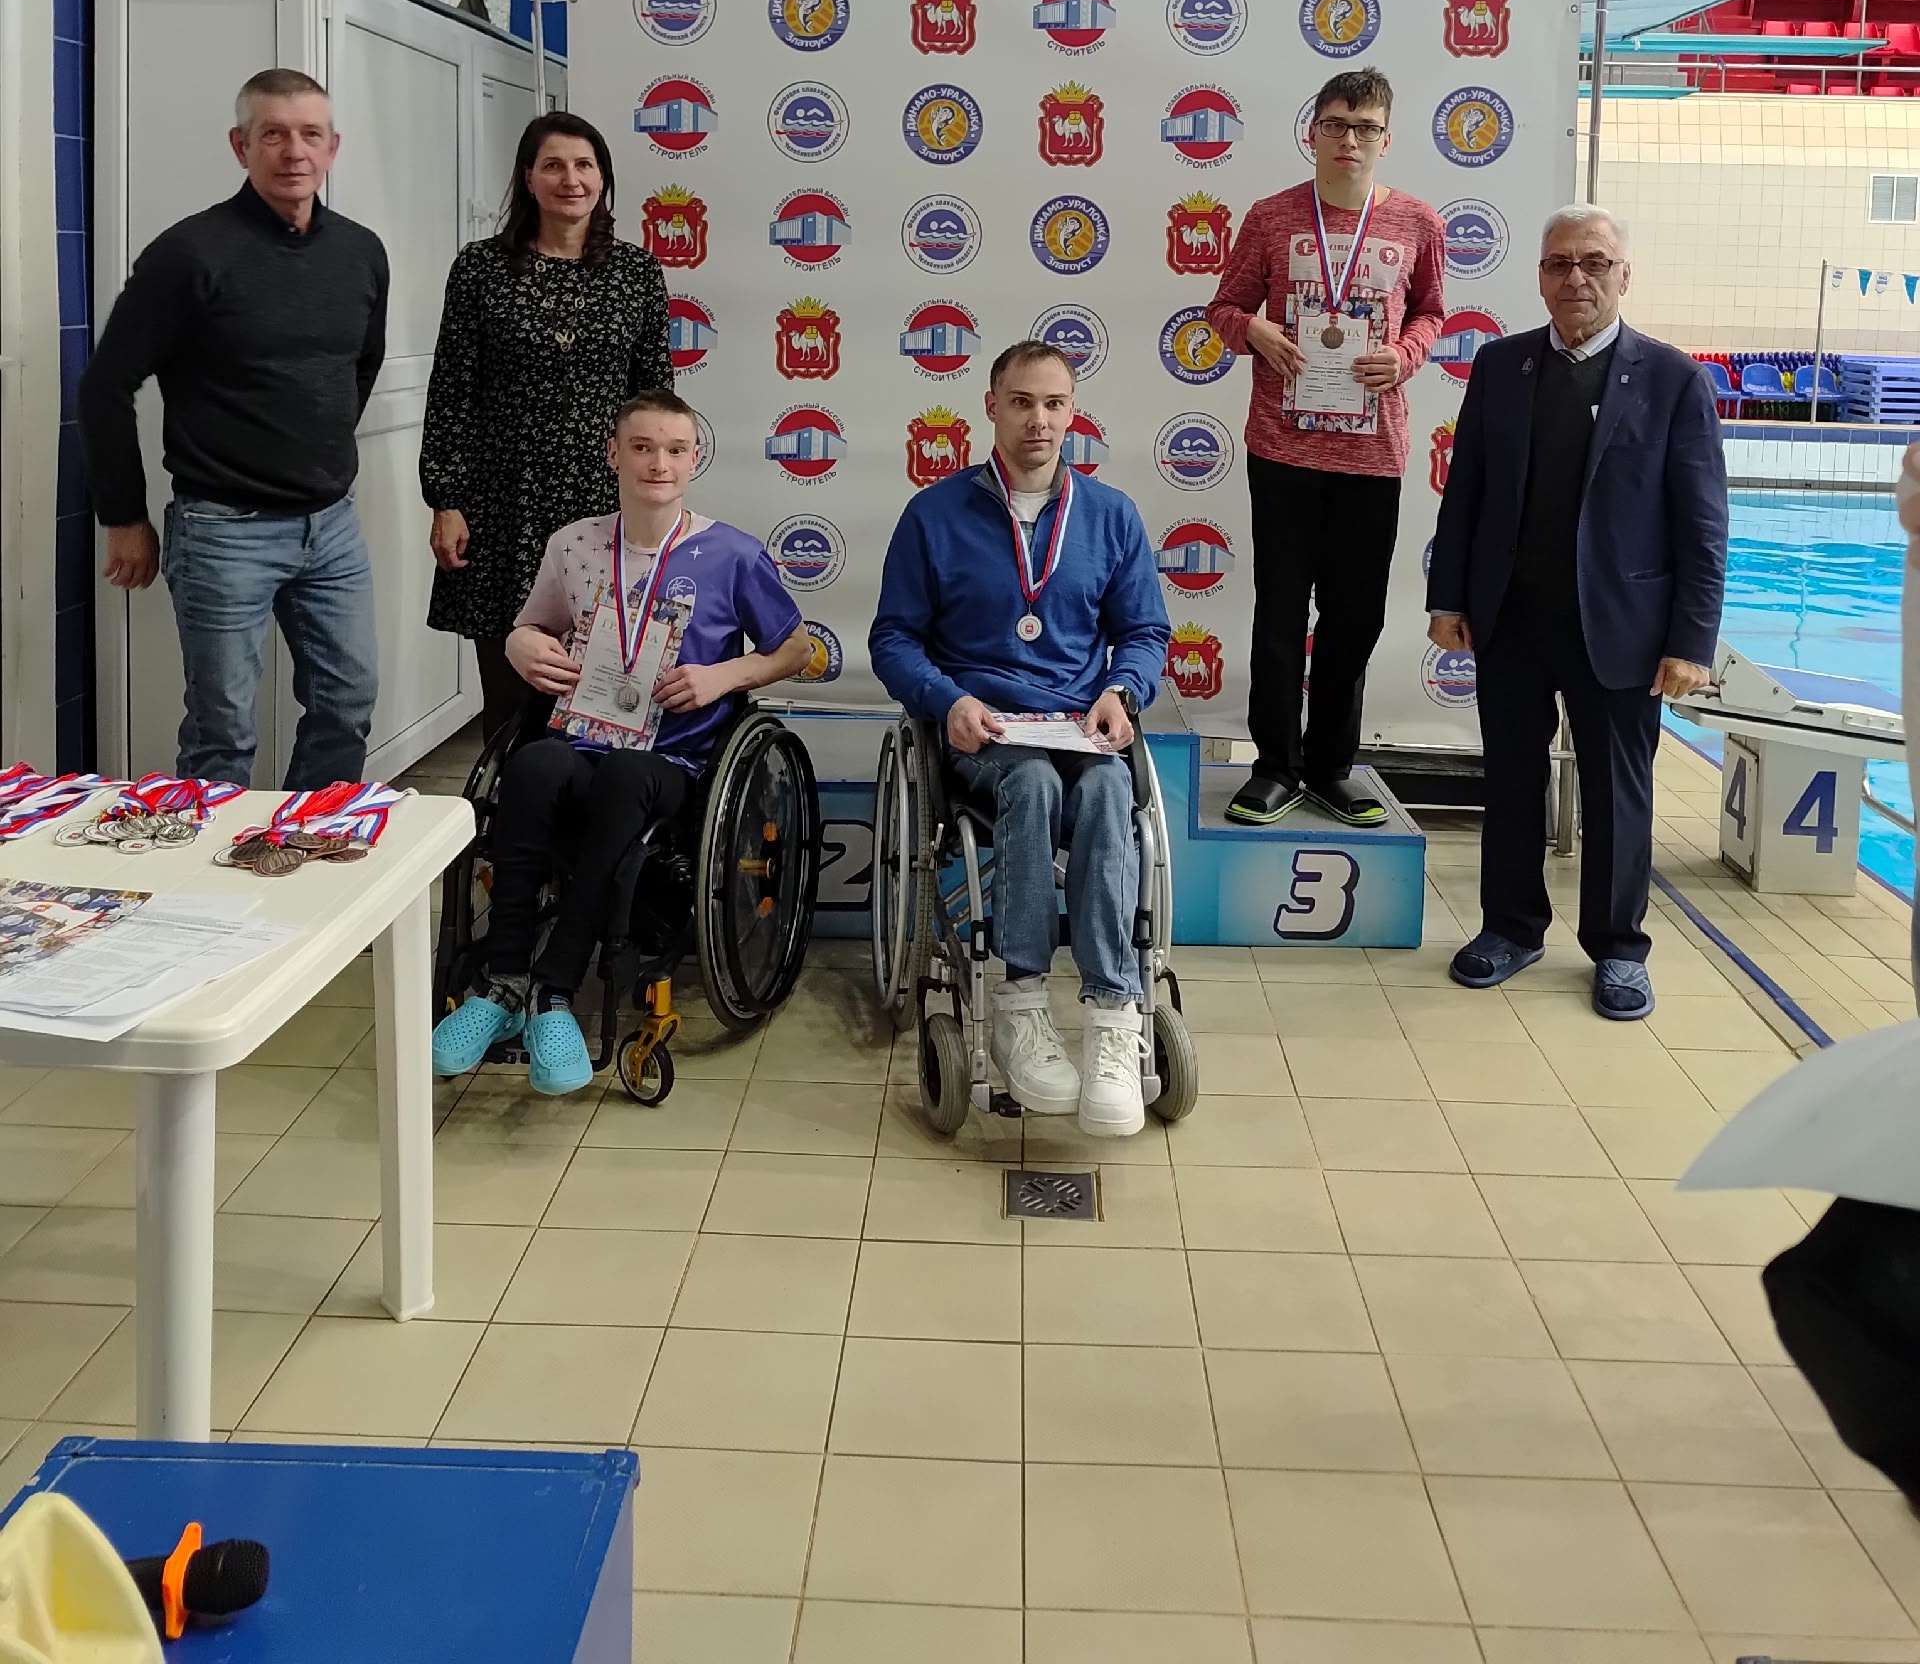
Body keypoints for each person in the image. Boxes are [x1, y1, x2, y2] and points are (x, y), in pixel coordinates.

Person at [431, 389, 811, 1095]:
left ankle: (554, 990)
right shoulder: (574, 543)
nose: (657, 463)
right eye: (641, 447)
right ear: (613, 454)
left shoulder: (731, 554)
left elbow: (796, 649)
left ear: (694, 459)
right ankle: (504, 980)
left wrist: (724, 675)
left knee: (626, 778)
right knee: (534, 766)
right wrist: (519, 643)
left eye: (674, 449)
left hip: (672, 759)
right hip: (581, 737)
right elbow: (533, 625)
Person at [1426, 204, 1727, 1020]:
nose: (1577, 278)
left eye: (1594, 262)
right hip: (1512, 619)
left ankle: (1619, 948)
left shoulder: (1674, 380)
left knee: (1618, 795)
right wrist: (1448, 597)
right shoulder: (1500, 366)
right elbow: (1467, 492)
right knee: (1511, 782)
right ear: (1539, 277)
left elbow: (1703, 525)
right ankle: (1510, 928)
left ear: (1624, 275)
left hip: (1622, 629)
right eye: (1560, 263)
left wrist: (1691, 641)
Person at [869, 340, 1172, 1137]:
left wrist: (1121, 691)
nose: (1039, 419)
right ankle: (1021, 1002)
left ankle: (1113, 1015)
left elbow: (1145, 633)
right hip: (986, 732)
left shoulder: (1111, 515)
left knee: (1109, 787)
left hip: (1078, 724)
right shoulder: (934, 515)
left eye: (1054, 404)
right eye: (1022, 402)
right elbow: (893, 639)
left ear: (1072, 413)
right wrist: (948, 699)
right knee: (1030, 783)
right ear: (992, 407)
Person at [77, 69, 388, 786]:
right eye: (272, 134)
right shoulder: (190, 254)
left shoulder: (360, 252)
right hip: (224, 530)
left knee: (347, 703)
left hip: (332, 527)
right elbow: (104, 387)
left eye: (310, 134)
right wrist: (123, 517)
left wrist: (316, 452)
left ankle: (310, 840)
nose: (293, 151)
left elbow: (359, 366)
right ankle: (214, 860)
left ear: (333, 147)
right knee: (224, 731)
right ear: (240, 145)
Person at [1205, 68, 1446, 828]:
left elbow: (1433, 313)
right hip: (1283, 450)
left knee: (1355, 618)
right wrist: (1254, 329)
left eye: (1365, 127)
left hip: (1373, 456)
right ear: (1313, 133)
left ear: (1386, 140)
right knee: (1279, 615)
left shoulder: (1416, 222)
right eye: (1336, 124)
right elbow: (1223, 308)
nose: (1350, 139)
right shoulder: (1271, 217)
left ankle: (1332, 767)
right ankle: (1275, 767)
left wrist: (1404, 354)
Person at [421, 111, 670, 737]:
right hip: (503, 501)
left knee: (600, 679)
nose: (570, 179)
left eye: (585, 165)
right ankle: (508, 795)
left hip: (600, 499)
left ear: (603, 178)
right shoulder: (480, 268)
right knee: (511, 684)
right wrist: (446, 499)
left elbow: (654, 400)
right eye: (553, 165)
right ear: (528, 178)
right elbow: (451, 390)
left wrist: (653, 494)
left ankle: (582, 791)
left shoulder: (636, 274)